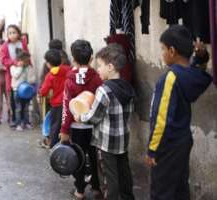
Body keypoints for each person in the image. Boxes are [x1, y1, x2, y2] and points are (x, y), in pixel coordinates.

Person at [145, 25, 212, 200]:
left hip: (167, 146)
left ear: (172, 51)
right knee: (179, 187)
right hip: (182, 142)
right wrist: (201, 56)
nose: (162, 53)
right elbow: (197, 69)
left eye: (163, 49)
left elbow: (161, 118)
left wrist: (152, 150)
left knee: (162, 191)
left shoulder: (170, 77)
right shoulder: (189, 75)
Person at [77, 44, 135, 200]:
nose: (98, 70)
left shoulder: (104, 90)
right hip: (122, 139)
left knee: (110, 178)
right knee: (124, 173)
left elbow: (94, 117)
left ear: (110, 67)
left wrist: (80, 117)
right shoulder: (128, 87)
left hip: (106, 142)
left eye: (100, 66)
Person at [60, 39, 102, 200]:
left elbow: (66, 107)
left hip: (77, 128)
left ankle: (79, 191)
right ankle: (97, 188)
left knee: (78, 157)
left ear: (73, 59)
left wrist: (64, 130)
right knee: (94, 156)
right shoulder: (97, 78)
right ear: (91, 58)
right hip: (94, 126)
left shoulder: (69, 80)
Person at [39, 49, 70, 148]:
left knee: (55, 126)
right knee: (67, 125)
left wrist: (40, 93)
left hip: (57, 105)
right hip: (68, 102)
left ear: (48, 63)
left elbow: (44, 91)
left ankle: (54, 145)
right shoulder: (68, 70)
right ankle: (67, 144)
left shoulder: (50, 75)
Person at [0, 24, 29, 128]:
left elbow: (27, 55)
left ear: (18, 33)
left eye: (14, 32)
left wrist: (26, 63)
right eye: (10, 33)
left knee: (24, 97)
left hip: (24, 72)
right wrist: (15, 63)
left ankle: (25, 120)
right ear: (7, 35)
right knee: (13, 97)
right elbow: (3, 60)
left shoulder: (23, 43)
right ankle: (14, 120)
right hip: (12, 73)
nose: (12, 35)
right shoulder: (5, 46)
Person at [10, 49, 36, 131]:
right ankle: (18, 124)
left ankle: (26, 122)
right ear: (20, 60)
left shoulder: (29, 67)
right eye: (25, 60)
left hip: (27, 91)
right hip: (17, 90)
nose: (27, 62)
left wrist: (29, 81)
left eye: (28, 60)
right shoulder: (13, 67)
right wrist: (20, 67)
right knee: (18, 108)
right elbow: (16, 76)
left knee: (26, 108)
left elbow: (32, 79)